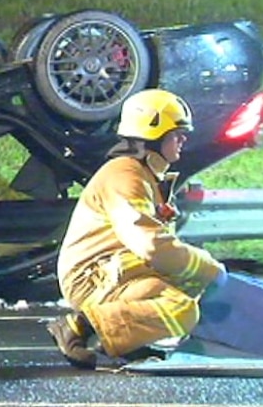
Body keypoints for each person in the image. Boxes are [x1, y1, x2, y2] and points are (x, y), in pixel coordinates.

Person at [47, 88, 229, 369]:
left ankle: (126, 338)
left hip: (112, 271)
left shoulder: (142, 175)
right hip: (94, 277)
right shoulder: (125, 175)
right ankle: (78, 326)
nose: (183, 139)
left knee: (187, 288)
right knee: (182, 310)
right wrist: (207, 267)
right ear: (153, 134)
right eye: (176, 133)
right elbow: (150, 245)